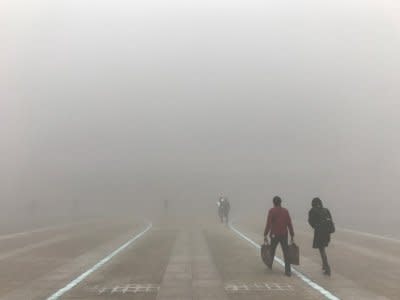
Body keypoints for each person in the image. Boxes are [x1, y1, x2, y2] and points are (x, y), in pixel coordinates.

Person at [264, 196, 294, 276]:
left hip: (274, 234)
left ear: (273, 203)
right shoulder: (285, 211)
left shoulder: (271, 211)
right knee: (286, 252)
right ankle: (288, 270)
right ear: (280, 202)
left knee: (272, 250)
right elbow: (289, 223)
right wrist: (292, 234)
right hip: (284, 234)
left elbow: (269, 224)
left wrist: (265, 234)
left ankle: (270, 264)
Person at [308, 197, 333, 276]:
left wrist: (315, 226)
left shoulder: (313, 211)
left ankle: (327, 267)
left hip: (319, 232)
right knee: (323, 248)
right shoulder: (326, 210)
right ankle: (324, 265)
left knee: (322, 250)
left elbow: (310, 221)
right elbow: (331, 220)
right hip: (327, 233)